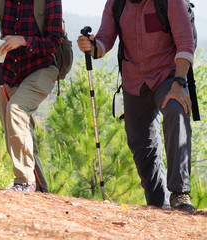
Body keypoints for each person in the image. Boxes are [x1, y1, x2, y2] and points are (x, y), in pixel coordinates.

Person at [77, 0, 196, 210]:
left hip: (167, 77)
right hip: (133, 82)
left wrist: (179, 83)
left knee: (177, 111)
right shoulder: (116, 3)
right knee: (142, 146)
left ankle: (180, 194)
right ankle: (159, 204)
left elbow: (185, 43)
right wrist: (92, 47)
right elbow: (105, 40)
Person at [0, 0, 63, 192]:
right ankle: (40, 190)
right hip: (8, 72)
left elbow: (54, 41)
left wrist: (23, 40)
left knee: (16, 111)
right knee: (17, 131)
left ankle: (24, 182)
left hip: (41, 68)